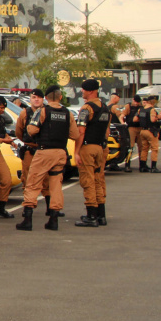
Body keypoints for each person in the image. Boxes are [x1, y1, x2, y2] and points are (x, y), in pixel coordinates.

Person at [16, 85, 79, 231]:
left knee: (33, 183)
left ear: (46, 98)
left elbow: (31, 129)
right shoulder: (67, 113)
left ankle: (27, 219)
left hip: (44, 152)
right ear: (60, 97)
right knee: (55, 186)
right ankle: (53, 219)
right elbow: (75, 135)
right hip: (60, 153)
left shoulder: (42, 111)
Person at [15, 88, 61, 218]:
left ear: (43, 99)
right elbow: (19, 131)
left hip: (44, 150)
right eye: (34, 97)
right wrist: (28, 142)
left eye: (39, 98)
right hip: (30, 151)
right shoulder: (25, 113)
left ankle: (50, 208)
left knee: (47, 180)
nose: (36, 100)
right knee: (28, 179)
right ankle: (27, 208)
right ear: (30, 99)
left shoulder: (47, 111)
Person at [74, 79, 111, 227]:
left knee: (87, 180)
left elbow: (81, 131)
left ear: (90, 91)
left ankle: (91, 215)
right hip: (100, 148)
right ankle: (101, 215)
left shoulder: (86, 108)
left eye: (83, 89)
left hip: (88, 147)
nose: (82, 92)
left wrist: (76, 151)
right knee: (98, 180)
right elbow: (107, 131)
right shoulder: (105, 108)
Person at [133, 95, 161, 173]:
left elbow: (135, 119)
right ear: (153, 102)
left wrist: (143, 120)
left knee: (144, 148)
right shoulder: (152, 110)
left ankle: (142, 166)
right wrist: (158, 118)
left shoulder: (141, 110)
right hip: (150, 131)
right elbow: (152, 120)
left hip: (142, 131)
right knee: (154, 148)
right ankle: (153, 167)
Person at [122, 95, 143, 172]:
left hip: (140, 128)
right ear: (133, 100)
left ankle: (142, 164)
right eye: (135, 101)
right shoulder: (128, 106)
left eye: (138, 102)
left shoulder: (141, 107)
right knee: (130, 146)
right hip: (131, 127)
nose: (136, 103)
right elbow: (122, 115)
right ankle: (127, 164)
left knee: (142, 147)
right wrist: (123, 124)